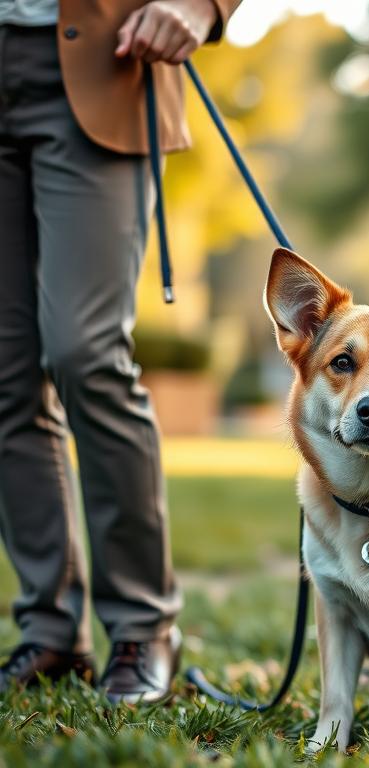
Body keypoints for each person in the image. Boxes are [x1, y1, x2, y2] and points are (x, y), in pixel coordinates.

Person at [0, 0, 241, 702]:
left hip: (104, 62)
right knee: (5, 375)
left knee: (85, 352)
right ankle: (48, 630)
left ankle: (143, 626)